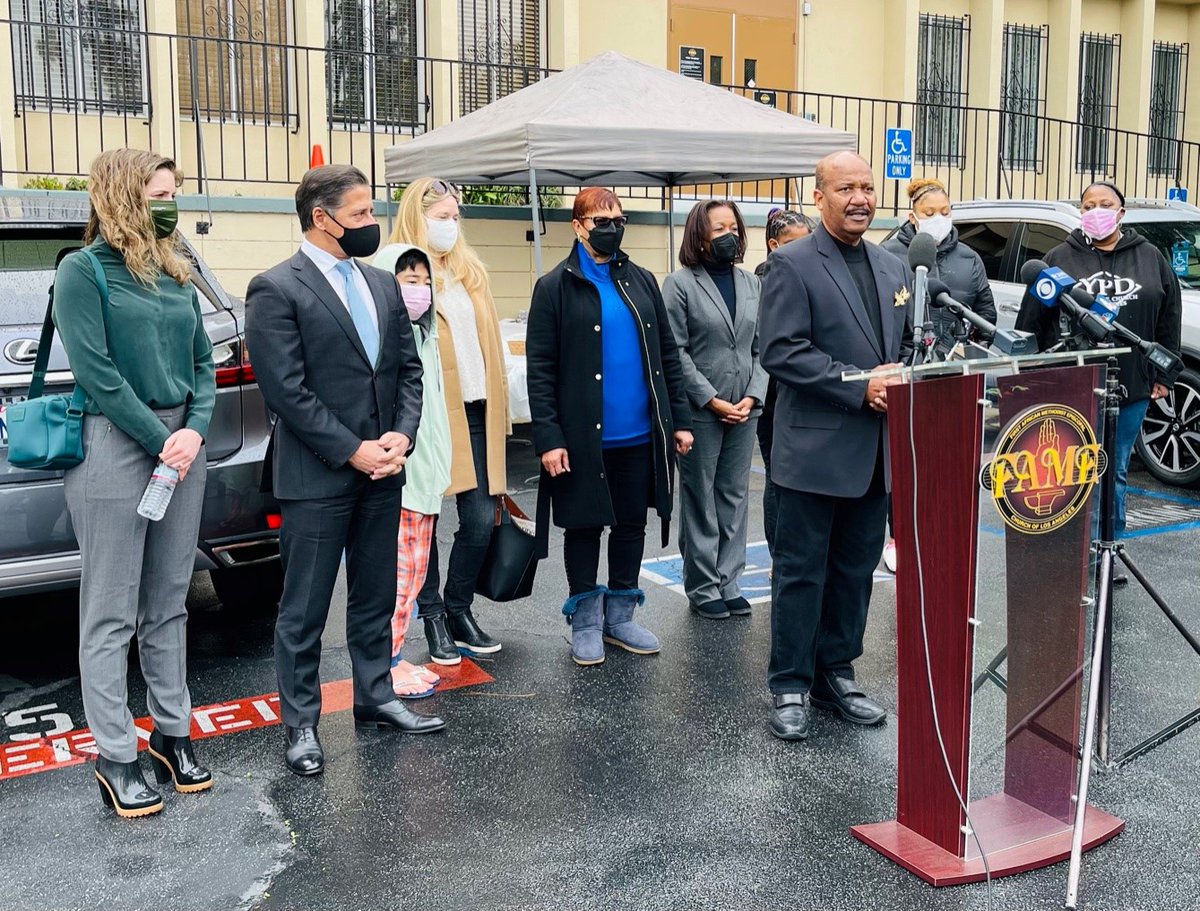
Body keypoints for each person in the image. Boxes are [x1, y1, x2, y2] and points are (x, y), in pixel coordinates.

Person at [246, 164, 445, 778]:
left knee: (375, 593)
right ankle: (301, 723)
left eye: (370, 212)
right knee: (304, 607)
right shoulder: (276, 288)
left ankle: (375, 695)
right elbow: (286, 391)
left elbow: (407, 372)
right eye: (359, 214)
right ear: (320, 218)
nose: (371, 224)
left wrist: (400, 437)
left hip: (384, 470)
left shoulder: (383, 284)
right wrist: (352, 448)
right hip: (317, 476)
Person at [53, 149, 215, 817]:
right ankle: (115, 751)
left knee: (169, 600)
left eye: (173, 192)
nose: (169, 204)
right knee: (111, 611)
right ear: (122, 197)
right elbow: (96, 374)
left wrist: (195, 429)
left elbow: (205, 361)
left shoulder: (176, 270)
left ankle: (170, 731)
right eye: (158, 193)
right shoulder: (82, 272)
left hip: (182, 444)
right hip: (116, 445)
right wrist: (163, 442)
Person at [758, 151, 914, 742]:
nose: (860, 198)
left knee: (853, 572)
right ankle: (791, 684)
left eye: (868, 187)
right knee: (801, 572)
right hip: (814, 453)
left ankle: (836, 674)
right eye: (846, 187)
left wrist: (906, 372)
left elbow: (899, 345)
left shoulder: (890, 265)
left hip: (874, 455)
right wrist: (860, 386)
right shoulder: (792, 265)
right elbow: (782, 350)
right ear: (819, 195)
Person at [526, 189, 693, 666]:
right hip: (581, 439)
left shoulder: (641, 280)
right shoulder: (555, 286)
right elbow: (541, 370)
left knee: (630, 524)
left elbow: (667, 356)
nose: (613, 227)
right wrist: (549, 437)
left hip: (639, 435)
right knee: (582, 527)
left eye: (618, 219)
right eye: (602, 219)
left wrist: (677, 420)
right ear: (578, 226)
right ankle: (585, 622)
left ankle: (620, 617)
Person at [1015, 180, 1182, 568]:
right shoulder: (1059, 256)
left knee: (1114, 470)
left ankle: (1109, 551)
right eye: (1088, 205)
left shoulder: (1150, 256)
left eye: (1105, 204)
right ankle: (1072, 554)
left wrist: (1164, 374)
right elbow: (1031, 323)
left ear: (1121, 213)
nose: (1096, 211)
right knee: (1071, 471)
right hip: (1070, 384)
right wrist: (1029, 376)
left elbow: (1168, 317)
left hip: (1131, 384)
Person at [390, 177, 510, 665]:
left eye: (455, 217)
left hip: (477, 408)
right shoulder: (404, 271)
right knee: (426, 517)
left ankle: (458, 608)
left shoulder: (467, 271)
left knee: (480, 518)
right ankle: (434, 615)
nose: (450, 225)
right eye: (441, 217)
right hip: (432, 415)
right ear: (417, 217)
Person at [879, 177, 996, 571]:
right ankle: (898, 536)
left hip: (954, 376)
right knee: (905, 460)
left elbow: (986, 313)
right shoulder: (889, 254)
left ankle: (940, 531)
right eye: (930, 214)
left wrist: (960, 349)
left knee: (947, 461)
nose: (939, 220)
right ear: (912, 216)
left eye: (945, 213)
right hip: (906, 373)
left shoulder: (969, 259)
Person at [663, 199, 768, 620]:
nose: (730, 235)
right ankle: (703, 584)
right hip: (701, 409)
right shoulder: (680, 283)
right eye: (719, 228)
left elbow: (763, 348)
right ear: (699, 236)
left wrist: (753, 396)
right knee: (700, 497)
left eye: (734, 227)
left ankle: (730, 579)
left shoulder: (752, 284)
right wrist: (709, 398)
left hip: (745, 407)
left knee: (734, 495)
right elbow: (676, 351)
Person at [372, 243, 450, 698]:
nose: (419, 290)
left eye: (425, 281)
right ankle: (387, 664)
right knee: (398, 576)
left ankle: (394, 657)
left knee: (414, 572)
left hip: (426, 476)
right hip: (401, 477)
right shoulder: (386, 339)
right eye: (407, 280)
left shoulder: (426, 335)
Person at [755, 209, 816, 559]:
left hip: (808, 394)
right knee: (778, 479)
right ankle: (780, 555)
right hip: (776, 398)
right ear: (774, 245)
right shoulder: (767, 281)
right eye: (795, 243)